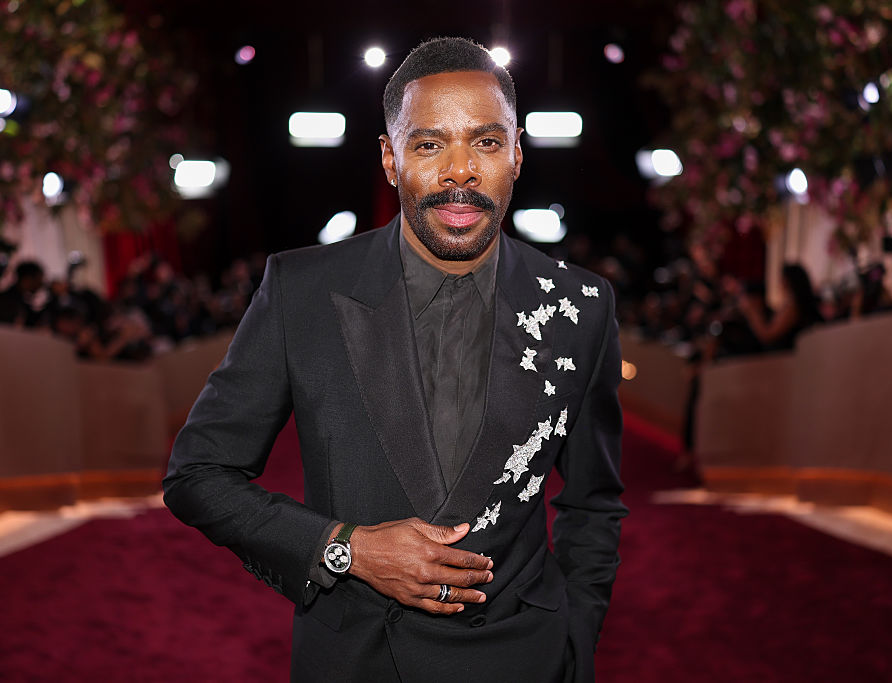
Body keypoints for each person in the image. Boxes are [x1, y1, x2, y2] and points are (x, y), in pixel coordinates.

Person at [164, 37, 626, 683]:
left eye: (487, 143)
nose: (460, 170)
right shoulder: (302, 290)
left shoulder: (582, 304)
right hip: (358, 657)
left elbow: (593, 503)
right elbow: (199, 474)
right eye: (430, 143)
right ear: (390, 157)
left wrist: (574, 644)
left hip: (528, 655)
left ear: (517, 155)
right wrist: (344, 548)